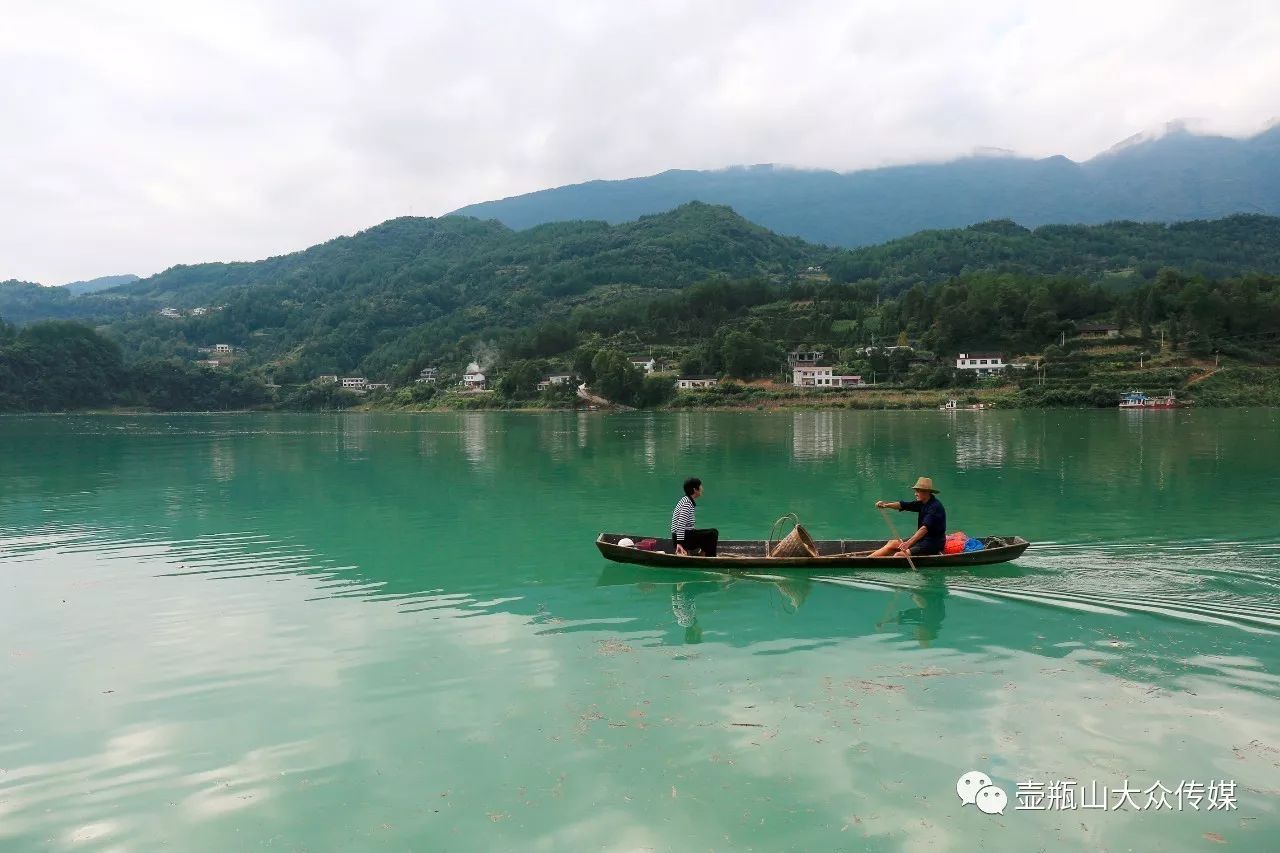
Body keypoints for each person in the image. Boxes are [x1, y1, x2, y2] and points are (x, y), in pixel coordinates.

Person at [870, 476, 946, 558]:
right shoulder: (923, 502)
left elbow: (924, 529)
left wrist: (908, 543)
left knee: (899, 555)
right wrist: (885, 505)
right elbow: (903, 505)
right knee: (892, 543)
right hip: (921, 540)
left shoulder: (935, 507)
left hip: (932, 544)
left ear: (927, 492)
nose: (915, 494)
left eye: (917, 491)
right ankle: (868, 559)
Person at [671, 477, 718, 557]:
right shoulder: (687, 503)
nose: (702, 488)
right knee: (713, 533)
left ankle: (702, 553)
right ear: (695, 489)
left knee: (707, 533)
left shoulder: (686, 500)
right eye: (700, 486)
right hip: (682, 538)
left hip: (683, 536)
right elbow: (680, 524)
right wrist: (679, 543)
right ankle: (710, 558)